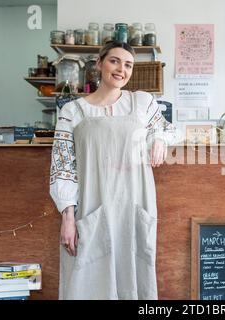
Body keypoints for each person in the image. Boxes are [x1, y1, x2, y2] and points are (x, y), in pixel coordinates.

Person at [49, 41, 180, 299]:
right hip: (92, 206)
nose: (121, 69)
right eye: (115, 61)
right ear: (99, 63)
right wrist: (68, 218)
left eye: (128, 64)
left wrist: (159, 140)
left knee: (134, 279)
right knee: (88, 281)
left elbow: (171, 129)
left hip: (134, 205)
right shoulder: (72, 111)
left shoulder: (142, 103)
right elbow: (63, 166)